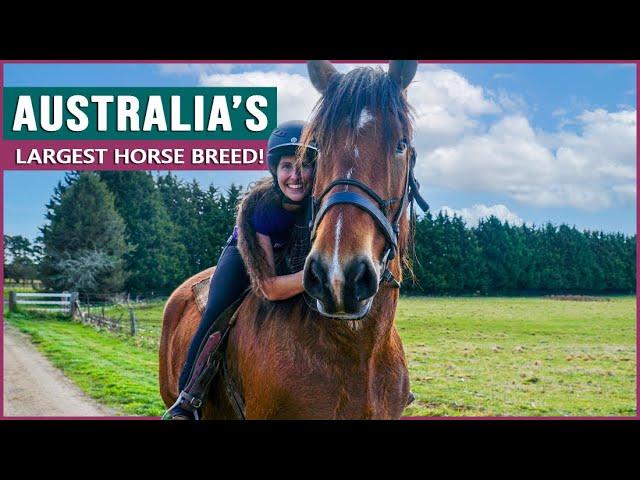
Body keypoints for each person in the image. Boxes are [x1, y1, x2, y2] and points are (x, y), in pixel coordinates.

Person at [163, 120, 317, 420]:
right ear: (275, 170)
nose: (295, 176)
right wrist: (313, 277)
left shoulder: (323, 201)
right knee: (216, 308)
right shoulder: (262, 206)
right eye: (287, 166)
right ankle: (187, 397)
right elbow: (270, 288)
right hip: (247, 255)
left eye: (304, 165)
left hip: (296, 255)